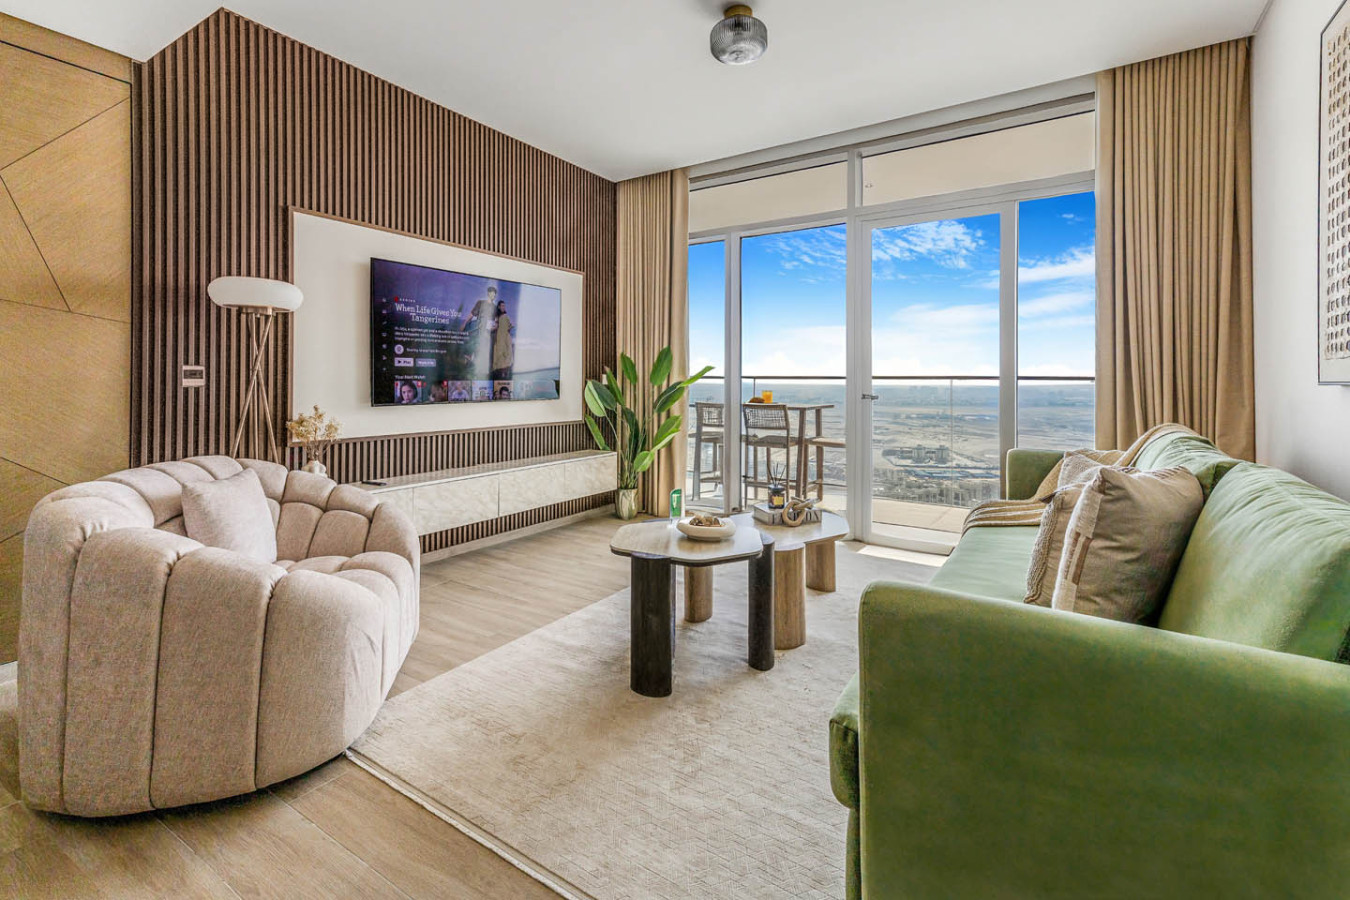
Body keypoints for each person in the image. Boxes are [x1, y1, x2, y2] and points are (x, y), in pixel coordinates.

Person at [491, 298, 515, 380]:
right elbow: (495, 326)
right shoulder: (497, 317)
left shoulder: (505, 316)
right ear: (498, 307)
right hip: (499, 338)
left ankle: (504, 374)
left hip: (505, 338)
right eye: (502, 306)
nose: (503, 307)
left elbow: (511, 326)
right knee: (499, 354)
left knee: (506, 354)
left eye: (504, 306)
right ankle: (500, 374)